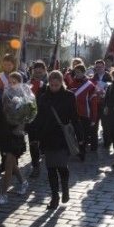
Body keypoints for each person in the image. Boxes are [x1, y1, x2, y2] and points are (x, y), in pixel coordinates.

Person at [36, 70, 78, 209]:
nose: (54, 87)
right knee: (51, 168)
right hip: (48, 136)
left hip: (62, 136)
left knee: (62, 166)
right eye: (52, 85)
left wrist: (80, 135)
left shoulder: (69, 96)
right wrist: (36, 135)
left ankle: (65, 188)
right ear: (48, 83)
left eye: (57, 85)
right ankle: (55, 197)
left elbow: (74, 116)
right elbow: (39, 118)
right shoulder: (44, 97)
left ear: (61, 83)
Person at [0, 72, 29, 205]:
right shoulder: (3, 95)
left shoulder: (25, 98)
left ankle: (3, 194)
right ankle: (23, 182)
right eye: (10, 82)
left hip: (15, 134)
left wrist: (21, 126)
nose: (11, 85)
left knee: (8, 163)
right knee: (12, 163)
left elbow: (27, 116)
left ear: (20, 84)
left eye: (15, 82)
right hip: (4, 132)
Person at [25, 60, 48, 177]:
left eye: (40, 72)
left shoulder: (48, 84)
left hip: (45, 119)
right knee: (33, 143)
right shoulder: (28, 84)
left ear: (44, 72)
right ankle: (36, 166)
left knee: (45, 144)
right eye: (36, 72)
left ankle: (51, 165)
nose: (38, 75)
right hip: (32, 120)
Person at [69, 64, 95, 161]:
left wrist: (93, 117)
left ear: (84, 72)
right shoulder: (72, 84)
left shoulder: (90, 85)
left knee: (83, 134)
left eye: (78, 72)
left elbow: (93, 102)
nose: (76, 74)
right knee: (75, 133)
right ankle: (76, 150)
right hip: (74, 113)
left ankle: (82, 151)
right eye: (75, 72)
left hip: (85, 113)